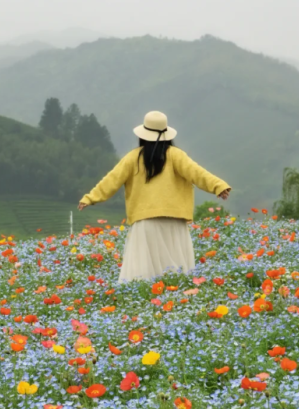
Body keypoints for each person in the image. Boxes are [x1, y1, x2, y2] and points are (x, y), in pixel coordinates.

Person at [78, 110, 231, 282]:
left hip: (146, 222)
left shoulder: (133, 158)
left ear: (143, 134)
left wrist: (89, 198)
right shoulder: (175, 155)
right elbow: (197, 173)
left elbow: (111, 181)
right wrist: (219, 186)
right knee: (177, 275)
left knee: (142, 276)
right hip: (174, 222)